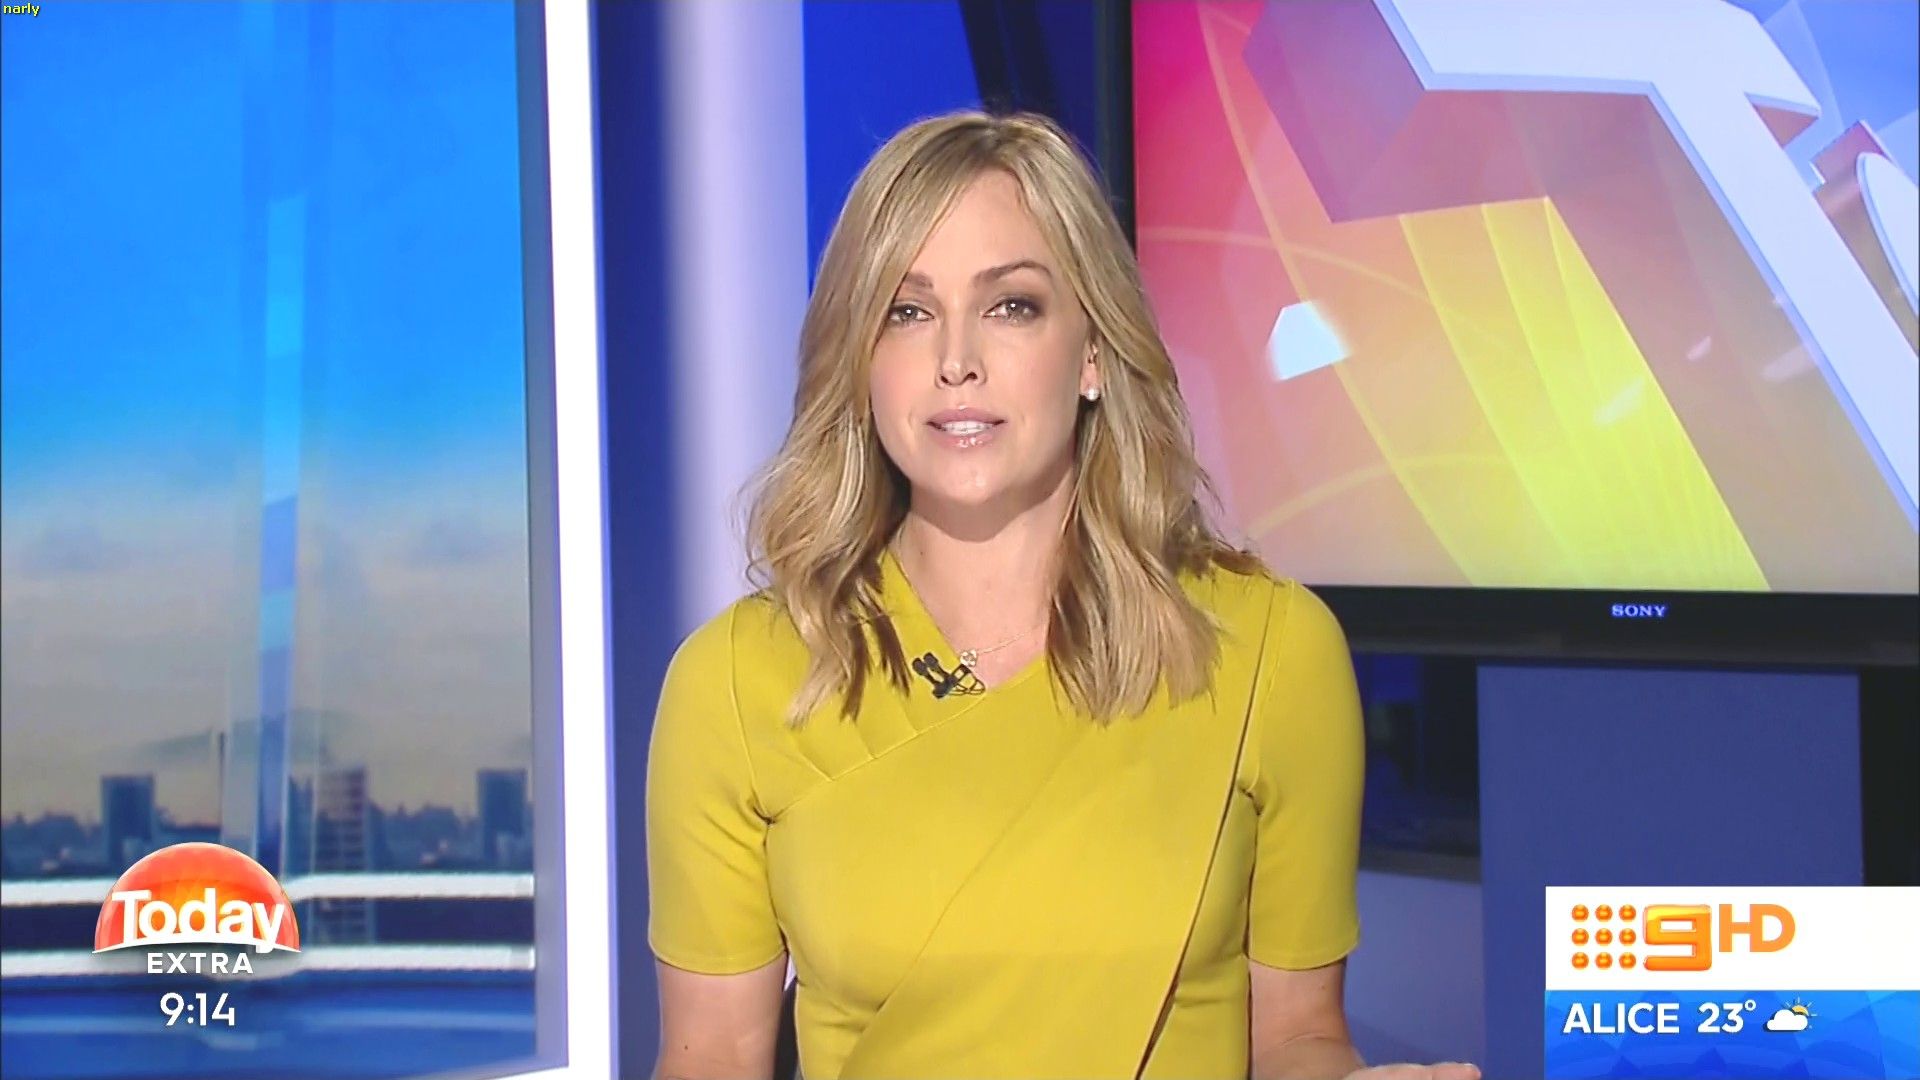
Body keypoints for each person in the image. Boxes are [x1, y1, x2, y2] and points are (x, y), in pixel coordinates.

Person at [646, 110, 1480, 1080]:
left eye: (1012, 306)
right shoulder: (736, 683)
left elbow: (1299, 1036)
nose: (956, 359)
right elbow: (711, 1057)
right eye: (907, 312)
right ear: (861, 360)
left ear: (1092, 352)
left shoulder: (1267, 653)